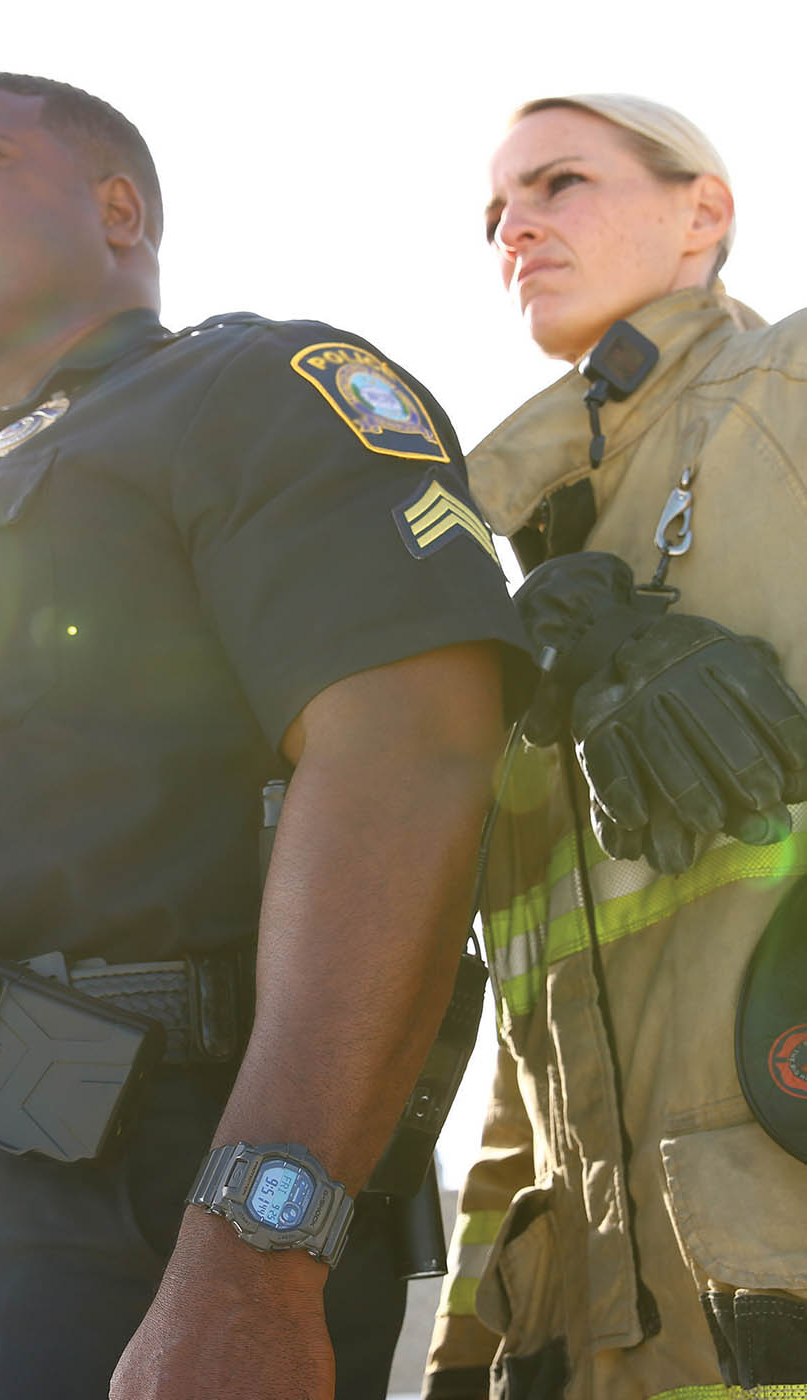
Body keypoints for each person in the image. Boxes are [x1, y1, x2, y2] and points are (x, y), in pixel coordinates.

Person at [0, 73, 531, 1400]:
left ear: (119, 209)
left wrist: (257, 1257)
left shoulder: (249, 395)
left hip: (155, 1236)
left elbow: (412, 760)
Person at [424, 95, 807, 1398]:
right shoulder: (509, 565)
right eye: (494, 212)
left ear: (702, 212)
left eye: (558, 183)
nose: (514, 227)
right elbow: (531, 1052)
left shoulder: (790, 394)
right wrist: (462, 1355)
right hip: (581, 1330)